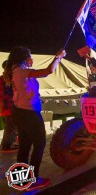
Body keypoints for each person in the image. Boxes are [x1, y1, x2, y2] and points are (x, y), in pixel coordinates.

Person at [3, 46, 66, 191]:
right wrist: (58, 58)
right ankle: (33, 180)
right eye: (29, 56)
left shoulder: (14, 70)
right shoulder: (21, 71)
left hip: (20, 112)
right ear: (24, 58)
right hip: (29, 113)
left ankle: (23, 181)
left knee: (24, 146)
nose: (31, 58)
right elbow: (48, 71)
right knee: (39, 144)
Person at [0, 60, 18, 150]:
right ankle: (6, 145)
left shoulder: (3, 78)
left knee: (11, 125)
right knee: (10, 126)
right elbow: (7, 94)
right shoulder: (6, 79)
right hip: (8, 106)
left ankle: (7, 143)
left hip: (5, 106)